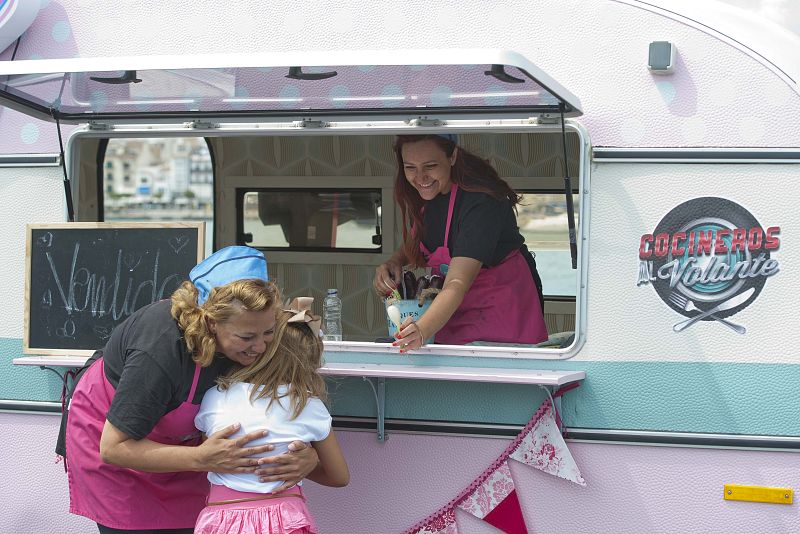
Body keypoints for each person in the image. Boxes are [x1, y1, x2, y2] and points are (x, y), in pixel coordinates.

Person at [64, 246, 321, 533]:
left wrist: (309, 459)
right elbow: (114, 448)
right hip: (119, 455)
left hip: (189, 455)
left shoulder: (253, 330)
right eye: (247, 337)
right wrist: (200, 458)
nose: (261, 347)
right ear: (211, 322)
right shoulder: (160, 348)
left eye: (269, 333)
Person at [373, 134, 548, 351]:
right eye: (410, 167)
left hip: (501, 320)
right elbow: (420, 242)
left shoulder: (481, 202)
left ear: (453, 156)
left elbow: (456, 283)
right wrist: (395, 261)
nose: (420, 177)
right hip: (454, 313)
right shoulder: (429, 195)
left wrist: (422, 330)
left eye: (430, 166)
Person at [194, 297, 349, 534]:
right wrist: (307, 465)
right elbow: (339, 476)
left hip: (224, 518)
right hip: (286, 520)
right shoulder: (307, 404)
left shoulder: (216, 397)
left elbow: (208, 452)